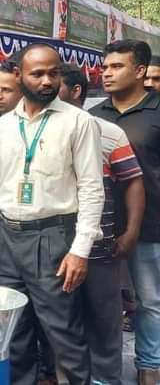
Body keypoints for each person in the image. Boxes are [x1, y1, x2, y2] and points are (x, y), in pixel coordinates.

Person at [0, 43, 104, 385]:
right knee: (13, 331)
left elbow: (92, 189)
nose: (47, 81)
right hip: (6, 238)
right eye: (38, 74)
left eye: (53, 73)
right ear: (19, 75)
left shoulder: (79, 122)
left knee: (63, 333)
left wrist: (80, 250)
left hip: (54, 238)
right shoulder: (3, 126)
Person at [59, 62, 145, 384]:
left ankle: (106, 379)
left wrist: (131, 231)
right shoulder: (38, 132)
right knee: (62, 324)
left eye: (55, 81)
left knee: (104, 321)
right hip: (52, 249)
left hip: (99, 249)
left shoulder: (107, 132)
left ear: (75, 91)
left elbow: (133, 181)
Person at [89, 39, 160, 385]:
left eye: (117, 67)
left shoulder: (157, 112)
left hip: (152, 225)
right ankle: (103, 369)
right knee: (102, 301)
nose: (107, 73)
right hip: (100, 227)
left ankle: (149, 364)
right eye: (105, 67)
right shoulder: (93, 116)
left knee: (150, 301)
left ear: (140, 71)